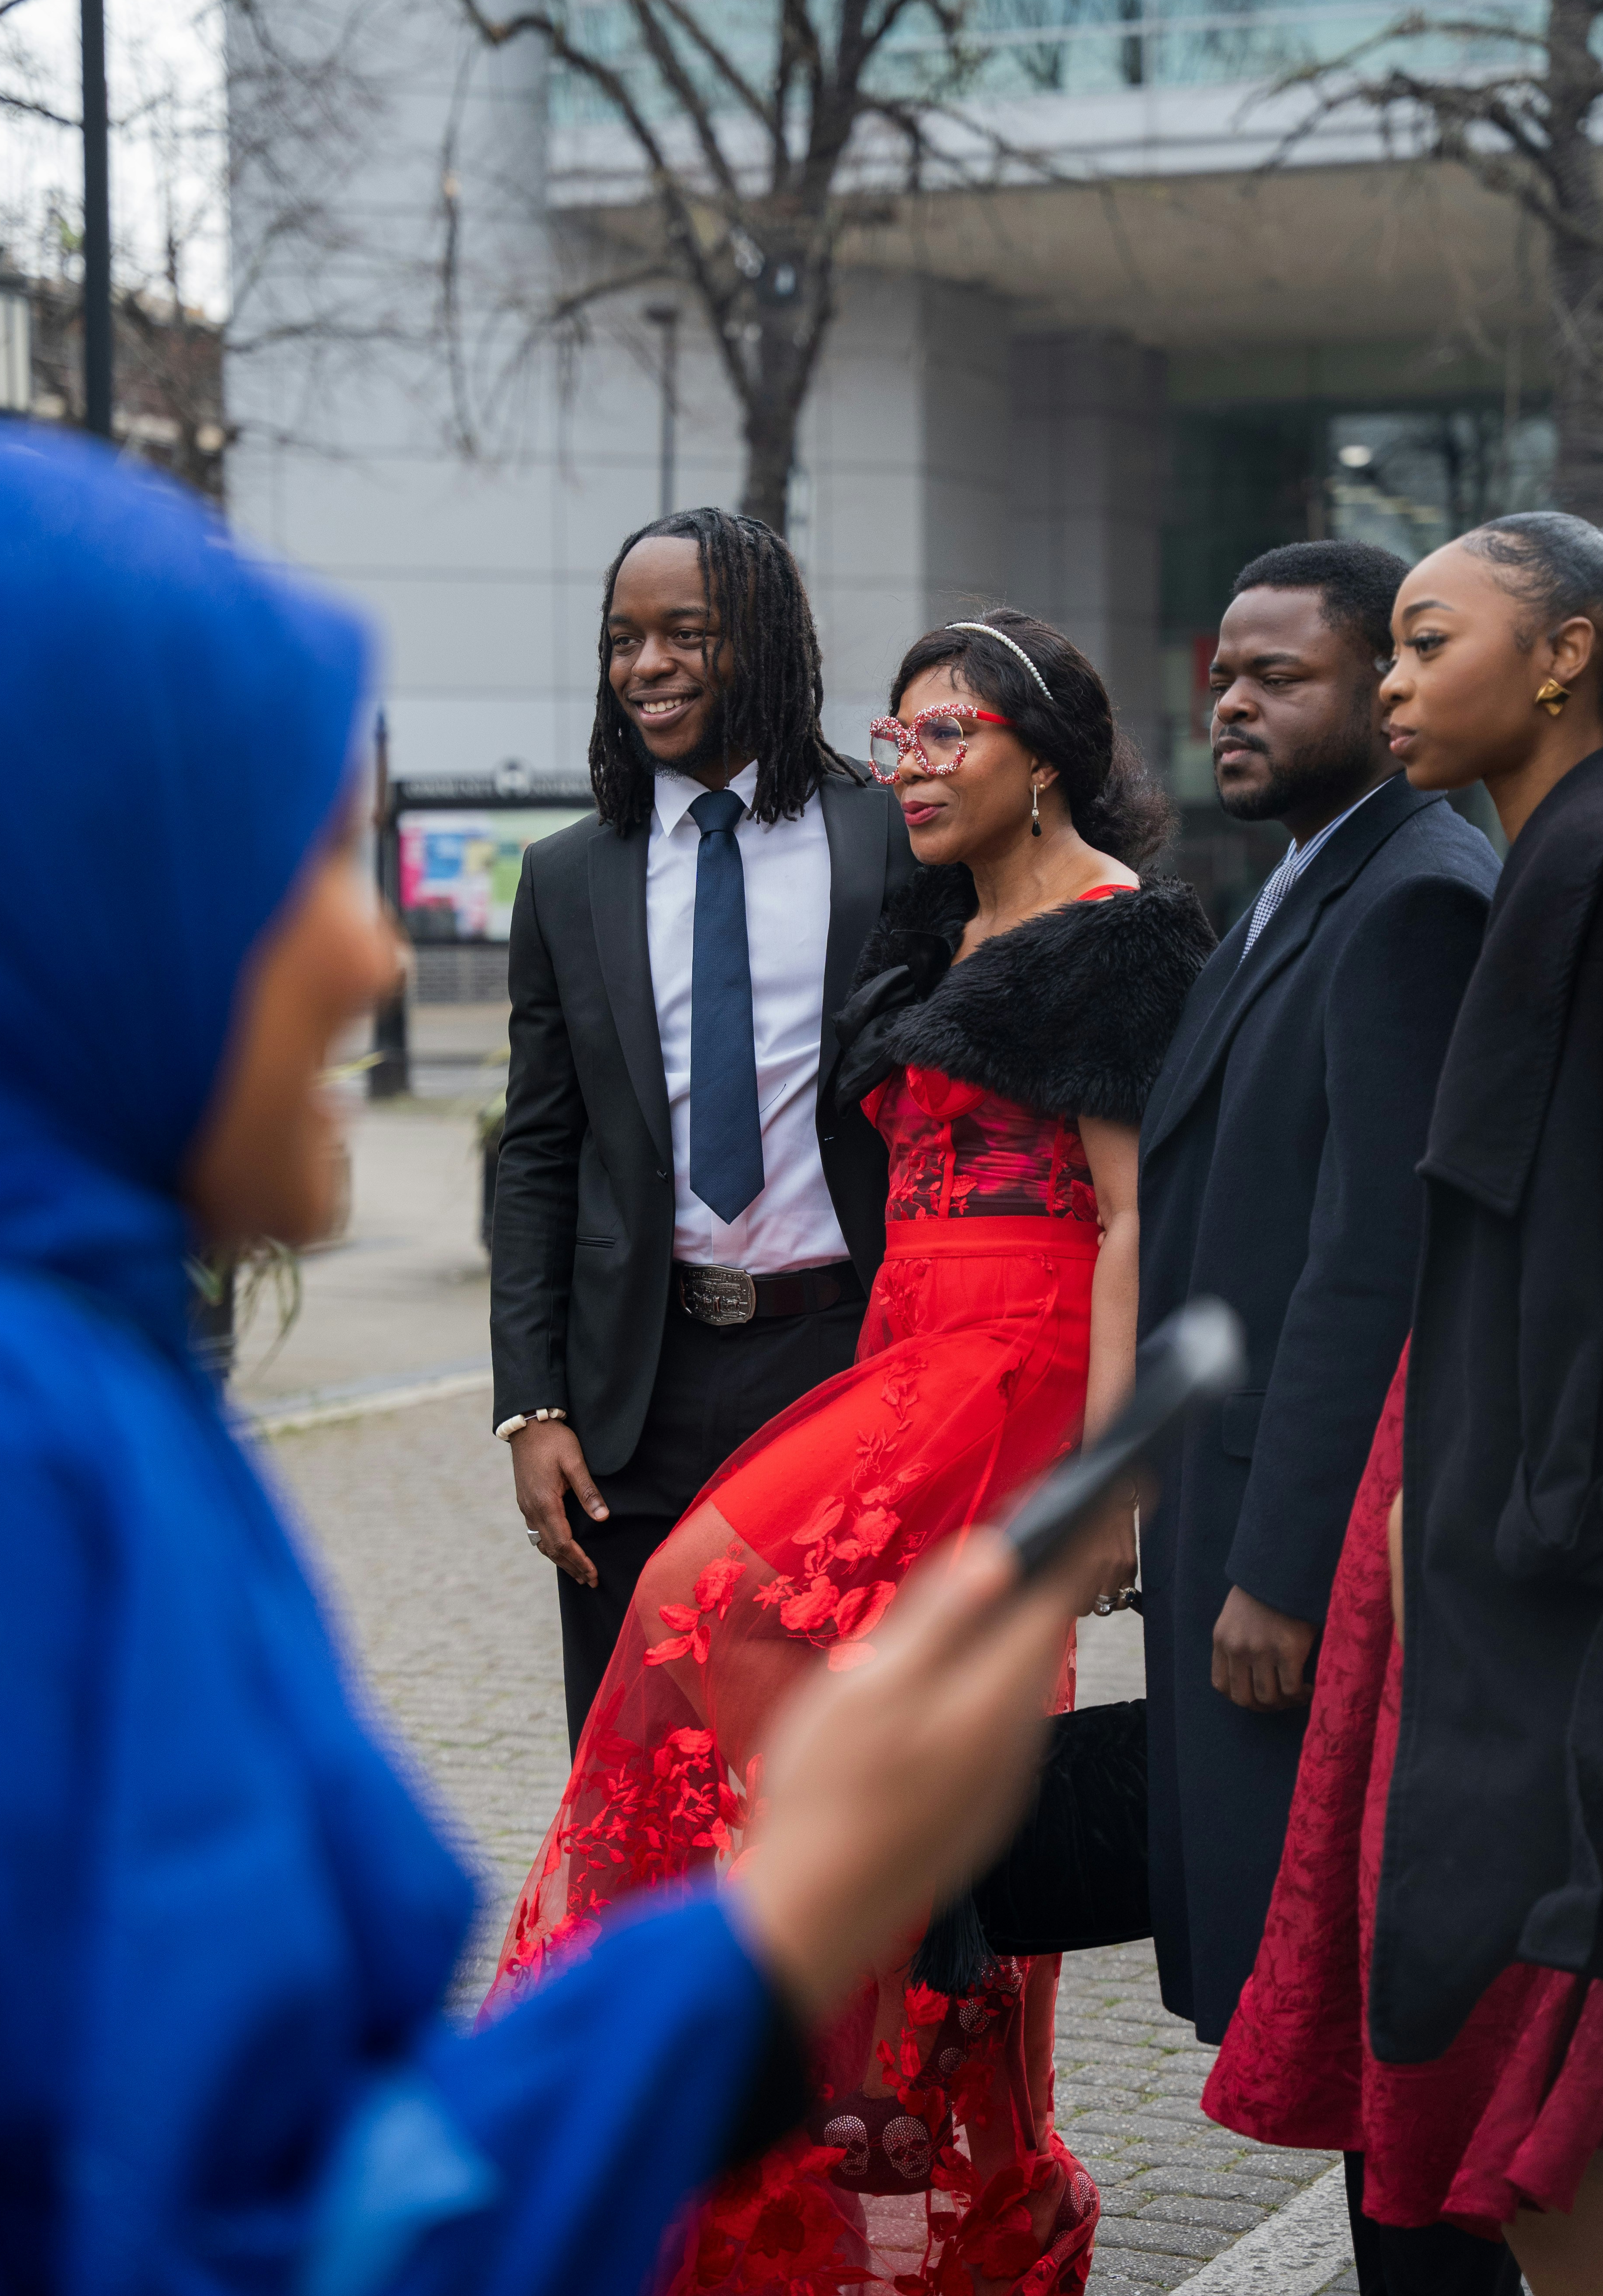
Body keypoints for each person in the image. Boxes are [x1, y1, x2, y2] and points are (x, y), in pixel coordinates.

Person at [0, 430, 1109, 2296]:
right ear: (90, 914)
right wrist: (758, 1947)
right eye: (284, 877)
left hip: (854, 1387)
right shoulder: (43, 1473)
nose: (368, 962)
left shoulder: (109, 1409)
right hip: (638, 1394)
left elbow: (308, 2174)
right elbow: (276, 2234)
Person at [484, 607, 1216, 2296]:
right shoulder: (934, 928)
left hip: (1016, 1375)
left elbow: (1134, 1221)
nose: (912, 767)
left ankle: (718, 2093)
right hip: (907, 1350)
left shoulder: (1116, 934)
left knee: (698, 1617)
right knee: (872, 1756)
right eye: (898, 740)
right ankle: (832, 2172)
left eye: (948, 734)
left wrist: (1111, 1479)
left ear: (1043, 756)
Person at [1206, 513, 1603, 2296]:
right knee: (1566, 2096)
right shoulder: (1564, 859)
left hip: (1548, 1583)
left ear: (1560, 655)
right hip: (1509, 1543)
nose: (1393, 682)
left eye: (1426, 642)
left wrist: (1508, 1533)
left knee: (1511, 2072)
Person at [1135, 541, 1503, 2279]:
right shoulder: (1303, 876)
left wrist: (1281, 1570)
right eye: (1224, 671)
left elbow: (1372, 1267)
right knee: (1310, 2017)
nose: (1232, 699)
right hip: (1230, 1501)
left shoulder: (1416, 892)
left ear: (1383, 693)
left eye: (1278, 675)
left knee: (1356, 2019)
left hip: (1312, 1556)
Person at [491, 508, 916, 1748]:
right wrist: (533, 1405)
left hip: (842, 1354)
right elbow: (538, 1152)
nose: (648, 666)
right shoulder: (570, 875)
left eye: (687, 632)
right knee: (643, 1751)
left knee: (832, 1748)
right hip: (638, 1386)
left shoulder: (891, 839)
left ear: (769, 645)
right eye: (625, 639)